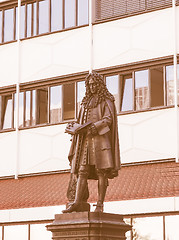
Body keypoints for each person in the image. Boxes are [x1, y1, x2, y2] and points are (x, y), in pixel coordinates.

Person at [63, 71, 120, 213]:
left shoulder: (107, 100)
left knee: (101, 172)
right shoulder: (85, 102)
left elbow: (108, 119)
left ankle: (100, 204)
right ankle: (76, 202)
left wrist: (95, 126)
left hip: (101, 141)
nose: (92, 87)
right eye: (90, 85)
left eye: (94, 84)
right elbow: (79, 120)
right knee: (82, 171)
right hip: (85, 142)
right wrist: (74, 127)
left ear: (99, 84)